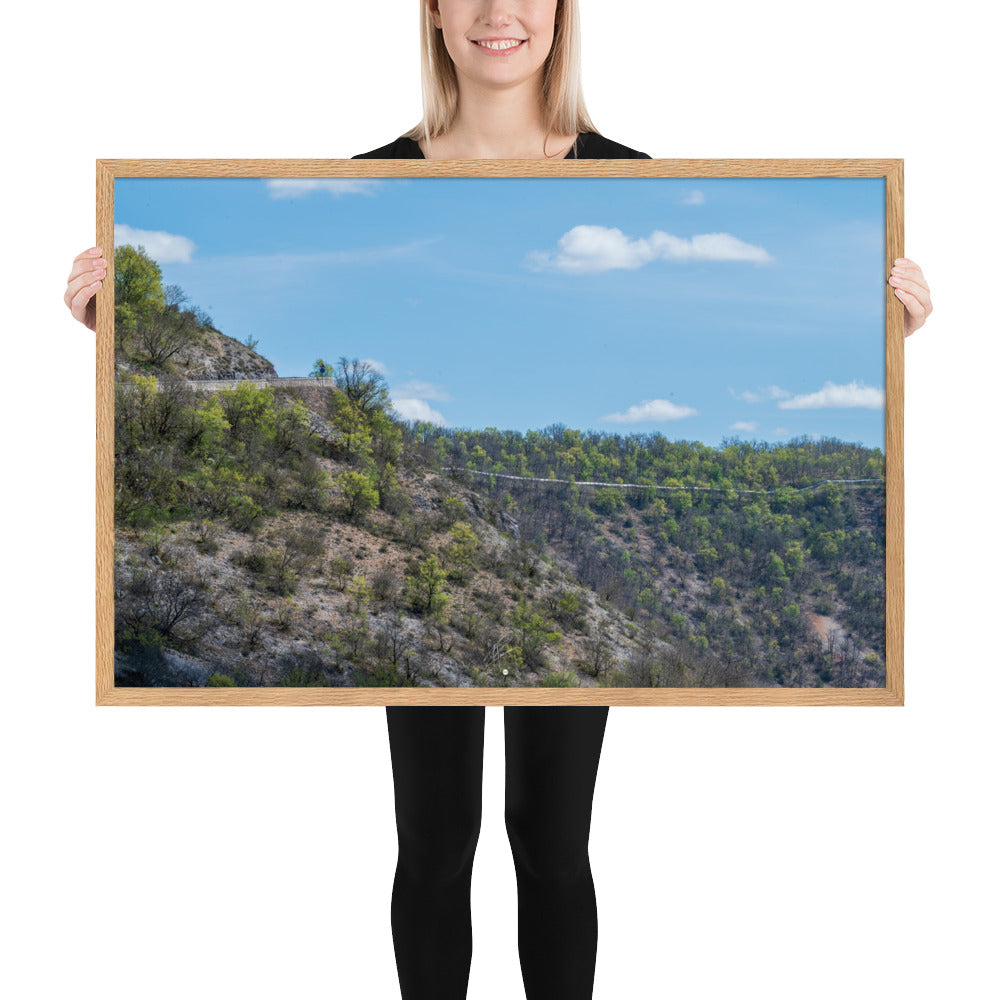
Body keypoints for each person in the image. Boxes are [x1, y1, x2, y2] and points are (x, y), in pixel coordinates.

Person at [64, 2, 933, 998]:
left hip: (526, 581)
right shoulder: (374, 181)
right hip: (439, 554)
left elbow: (739, 330)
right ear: (430, 14)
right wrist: (117, 332)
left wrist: (878, 338)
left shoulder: (635, 181)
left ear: (563, 16)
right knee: (435, 843)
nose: (496, 13)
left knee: (552, 843)